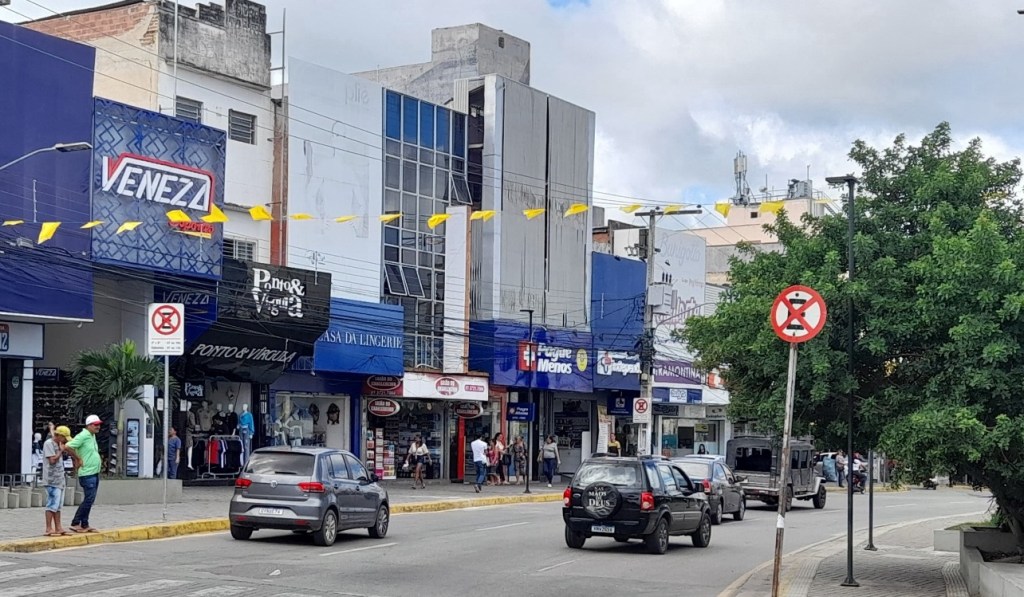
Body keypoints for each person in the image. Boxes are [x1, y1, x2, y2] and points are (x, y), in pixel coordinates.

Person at [68, 415, 103, 533]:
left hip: (94, 472)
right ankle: (75, 522)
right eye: (95, 425)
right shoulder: (83, 436)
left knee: (90, 499)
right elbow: (68, 446)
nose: (98, 427)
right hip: (87, 473)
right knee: (89, 499)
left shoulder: (92, 436)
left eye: (99, 424)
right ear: (89, 425)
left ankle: (85, 524)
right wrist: (77, 458)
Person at [43, 424, 77, 536]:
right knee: (51, 504)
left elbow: (54, 434)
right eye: (64, 438)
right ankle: (49, 528)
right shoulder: (49, 444)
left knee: (58, 506)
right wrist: (60, 451)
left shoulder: (58, 443)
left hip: (60, 479)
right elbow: (52, 460)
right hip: (51, 479)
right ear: (59, 436)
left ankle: (58, 527)